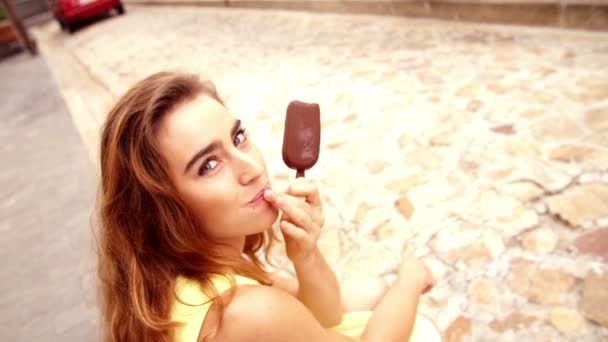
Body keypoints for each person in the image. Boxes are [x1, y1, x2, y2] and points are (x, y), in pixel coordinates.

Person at [96, 71, 437, 342]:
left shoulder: (183, 281)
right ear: (162, 210)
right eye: (209, 165)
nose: (252, 168)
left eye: (238, 138)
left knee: (370, 289)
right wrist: (410, 277)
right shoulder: (246, 314)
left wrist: (305, 253)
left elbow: (325, 316)